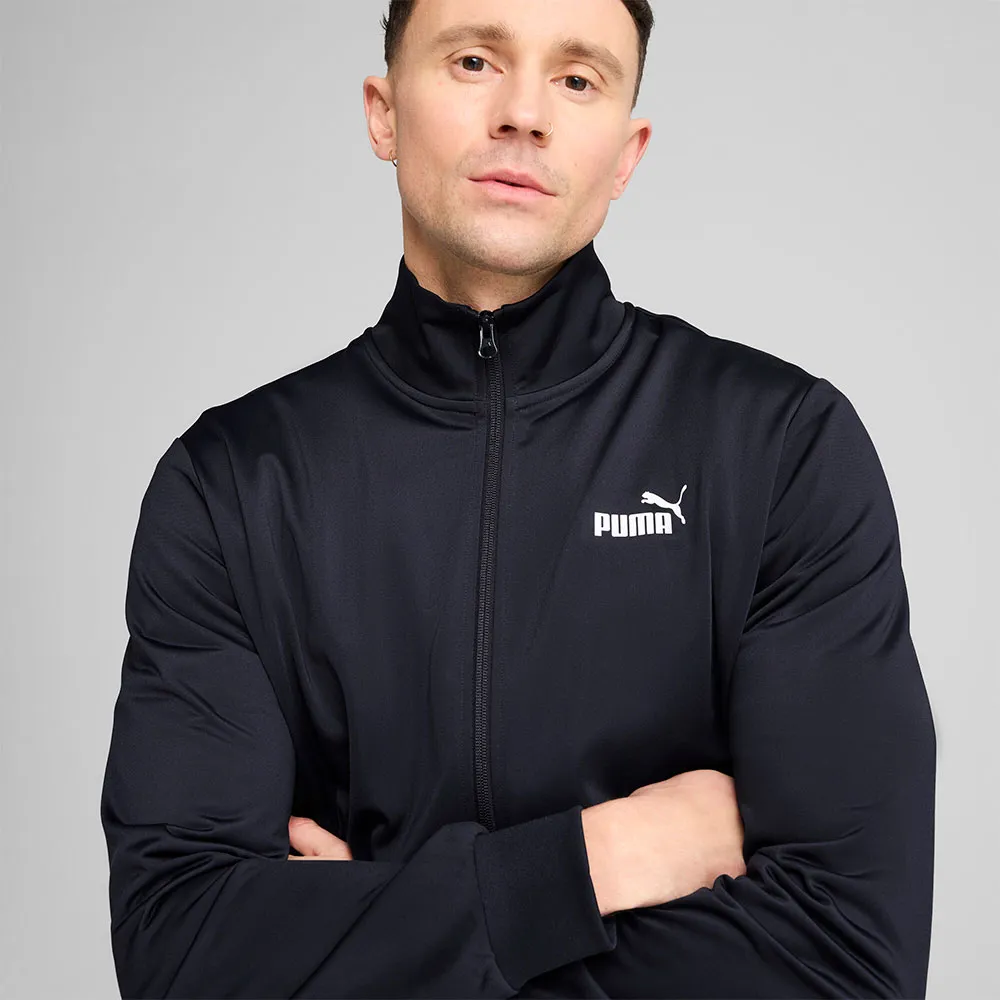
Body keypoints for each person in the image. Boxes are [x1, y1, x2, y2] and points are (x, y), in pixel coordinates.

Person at [99, 1, 937, 997]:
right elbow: (179, 955)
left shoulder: (782, 448)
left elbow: (848, 964)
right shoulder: (230, 484)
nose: (524, 113)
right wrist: (599, 860)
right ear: (382, 112)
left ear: (625, 154)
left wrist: (370, 930)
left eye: (577, 79)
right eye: (473, 61)